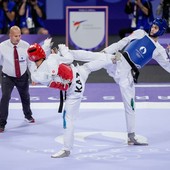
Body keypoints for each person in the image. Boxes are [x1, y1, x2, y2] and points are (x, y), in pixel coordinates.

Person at [68, 18, 170, 146]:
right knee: (95, 56)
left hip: (127, 76)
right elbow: (121, 43)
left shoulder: (159, 50)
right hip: (118, 61)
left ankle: (131, 136)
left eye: (156, 28)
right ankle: (67, 54)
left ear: (161, 31)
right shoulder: (140, 33)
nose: (152, 29)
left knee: (130, 106)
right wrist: (105, 52)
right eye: (153, 26)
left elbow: (168, 66)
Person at [27, 42, 119, 158]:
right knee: (87, 67)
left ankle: (66, 149)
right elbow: (69, 59)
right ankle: (111, 59)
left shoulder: (36, 74)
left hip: (74, 86)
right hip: (76, 77)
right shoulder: (52, 59)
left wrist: (49, 51)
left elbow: (39, 69)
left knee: (68, 119)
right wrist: (63, 49)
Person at [0, 25, 35, 133]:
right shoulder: (2, 46)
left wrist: (33, 75)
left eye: (19, 35)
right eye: (15, 36)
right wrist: (8, 67)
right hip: (8, 76)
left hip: (22, 76)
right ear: (10, 35)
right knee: (5, 98)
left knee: (25, 97)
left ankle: (28, 115)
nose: (18, 38)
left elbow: (30, 62)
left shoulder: (26, 45)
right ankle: (1, 124)